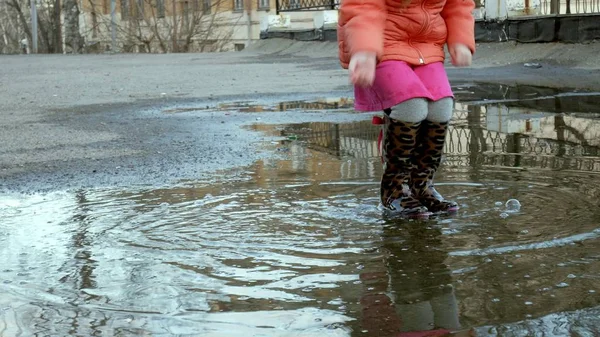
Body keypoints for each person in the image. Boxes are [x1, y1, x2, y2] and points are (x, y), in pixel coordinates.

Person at [337, 0, 475, 216]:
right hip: (381, 42)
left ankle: (421, 186)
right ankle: (394, 190)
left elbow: (458, 4)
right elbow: (362, 5)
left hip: (426, 46)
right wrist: (364, 48)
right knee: (411, 105)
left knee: (442, 106)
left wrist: (460, 38)